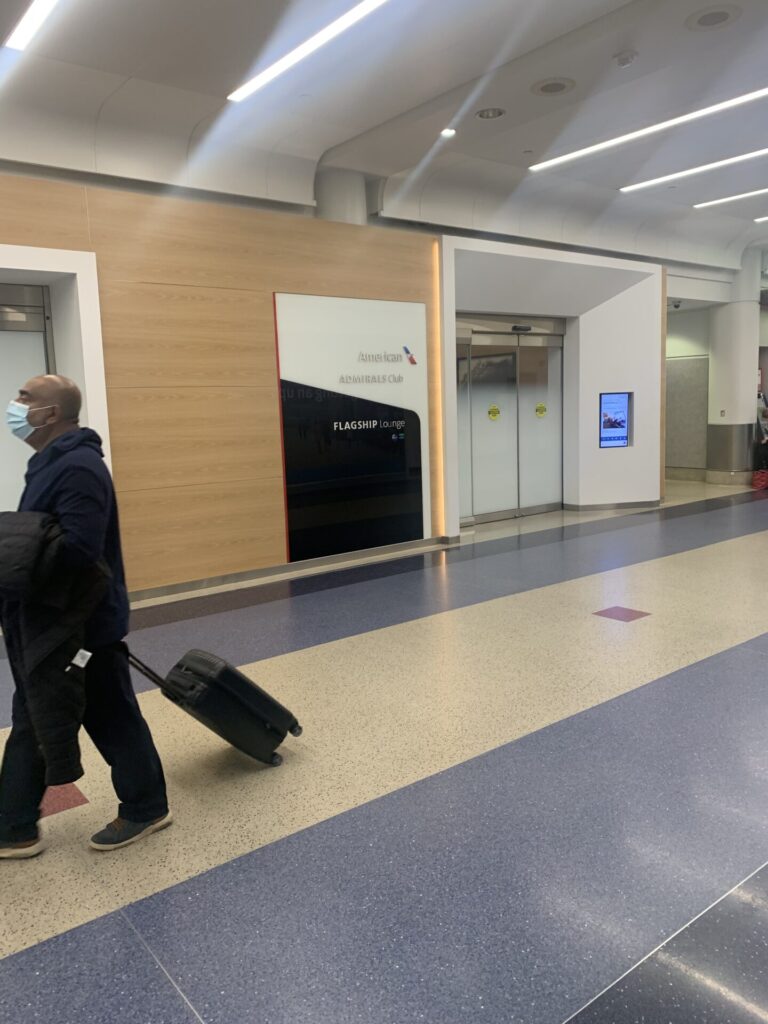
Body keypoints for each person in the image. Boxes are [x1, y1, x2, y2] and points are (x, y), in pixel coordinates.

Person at [0, 375, 171, 859]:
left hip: (82, 626)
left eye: (25, 398)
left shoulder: (77, 467)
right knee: (34, 715)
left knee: (111, 716)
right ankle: (14, 827)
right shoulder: (49, 463)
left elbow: (79, 546)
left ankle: (146, 808)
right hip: (51, 624)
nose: (16, 406)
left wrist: (16, 551)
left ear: (50, 414)